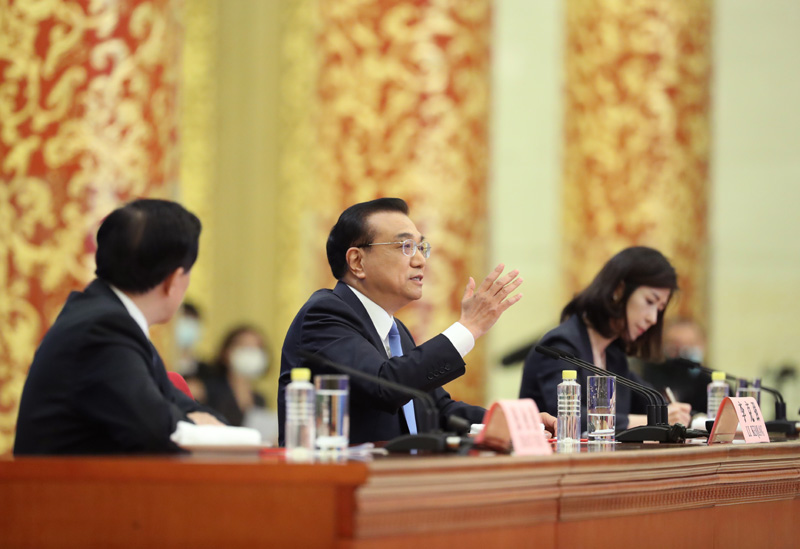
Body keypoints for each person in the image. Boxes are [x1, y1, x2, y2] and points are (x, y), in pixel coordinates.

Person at [278, 198, 555, 445]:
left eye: (421, 247)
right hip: (341, 481)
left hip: (401, 479)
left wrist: (518, 423)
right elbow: (384, 385)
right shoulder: (324, 315)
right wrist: (468, 327)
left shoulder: (396, 331)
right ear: (357, 261)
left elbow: (439, 411)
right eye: (406, 246)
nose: (421, 260)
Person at [14, 199, 224, 455]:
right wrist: (197, 426)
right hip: (65, 482)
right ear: (173, 280)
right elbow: (156, 430)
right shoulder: (103, 329)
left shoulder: (105, 316)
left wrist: (202, 425)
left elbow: (178, 405)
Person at [519, 246, 692, 432]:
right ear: (618, 290)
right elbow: (568, 420)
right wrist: (651, 420)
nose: (653, 318)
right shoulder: (560, 347)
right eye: (650, 301)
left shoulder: (613, 355)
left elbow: (652, 402)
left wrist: (688, 417)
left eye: (659, 309)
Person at [192, 325, 271, 429]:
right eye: (244, 346)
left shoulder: (259, 399)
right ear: (226, 352)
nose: (250, 352)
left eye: (256, 347)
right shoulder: (205, 389)